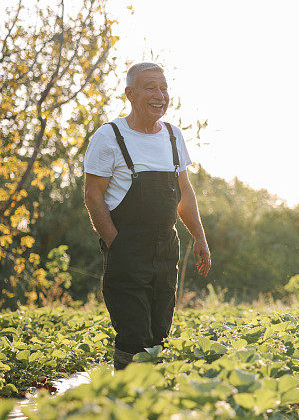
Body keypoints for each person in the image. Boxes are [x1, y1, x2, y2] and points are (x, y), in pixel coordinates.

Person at [83, 62, 211, 370]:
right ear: (129, 93)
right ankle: (126, 405)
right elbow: (92, 195)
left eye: (164, 88)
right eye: (150, 87)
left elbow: (184, 191)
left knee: (158, 336)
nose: (160, 95)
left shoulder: (172, 136)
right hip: (127, 250)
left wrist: (199, 237)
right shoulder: (109, 136)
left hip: (166, 250)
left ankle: (153, 409)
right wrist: (116, 243)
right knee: (134, 337)